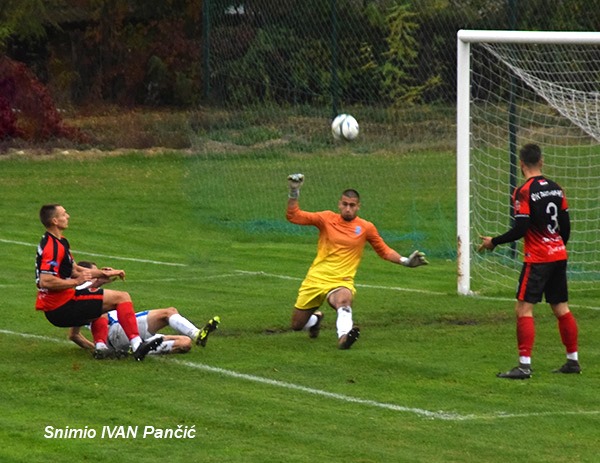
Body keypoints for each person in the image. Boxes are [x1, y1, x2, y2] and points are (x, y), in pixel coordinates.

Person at [286, 173, 428, 349]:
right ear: (339, 204)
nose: (348, 208)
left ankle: (344, 337)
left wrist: (405, 261)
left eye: (352, 205)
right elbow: (294, 216)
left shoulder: (366, 227)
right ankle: (315, 320)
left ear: (358, 207)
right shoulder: (326, 218)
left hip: (341, 281)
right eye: (345, 204)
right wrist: (294, 191)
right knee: (297, 325)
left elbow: (384, 250)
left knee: (344, 300)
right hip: (315, 279)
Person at [478, 144, 580, 379]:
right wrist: (557, 245)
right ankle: (572, 361)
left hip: (538, 258)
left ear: (521, 164)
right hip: (558, 255)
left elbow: (521, 228)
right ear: (541, 161)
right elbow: (566, 227)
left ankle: (524, 366)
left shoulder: (523, 191)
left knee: (523, 308)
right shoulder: (557, 189)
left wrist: (494, 241)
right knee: (561, 307)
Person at [35, 204, 162, 361]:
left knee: (100, 305)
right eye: (64, 214)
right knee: (122, 297)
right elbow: (45, 281)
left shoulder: (60, 242)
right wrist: (76, 282)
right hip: (61, 306)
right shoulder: (52, 247)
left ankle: (101, 348)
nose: (67, 216)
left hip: (58, 306)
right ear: (55, 220)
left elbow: (75, 269)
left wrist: (104, 273)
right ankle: (137, 346)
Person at [67, 261, 221, 356]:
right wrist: (98, 347)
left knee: (184, 343)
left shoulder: (86, 299)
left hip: (122, 335)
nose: (98, 274)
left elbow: (74, 336)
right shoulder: (84, 297)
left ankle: (134, 350)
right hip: (117, 330)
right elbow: (74, 334)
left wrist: (97, 348)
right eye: (94, 272)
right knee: (168, 312)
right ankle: (197, 334)